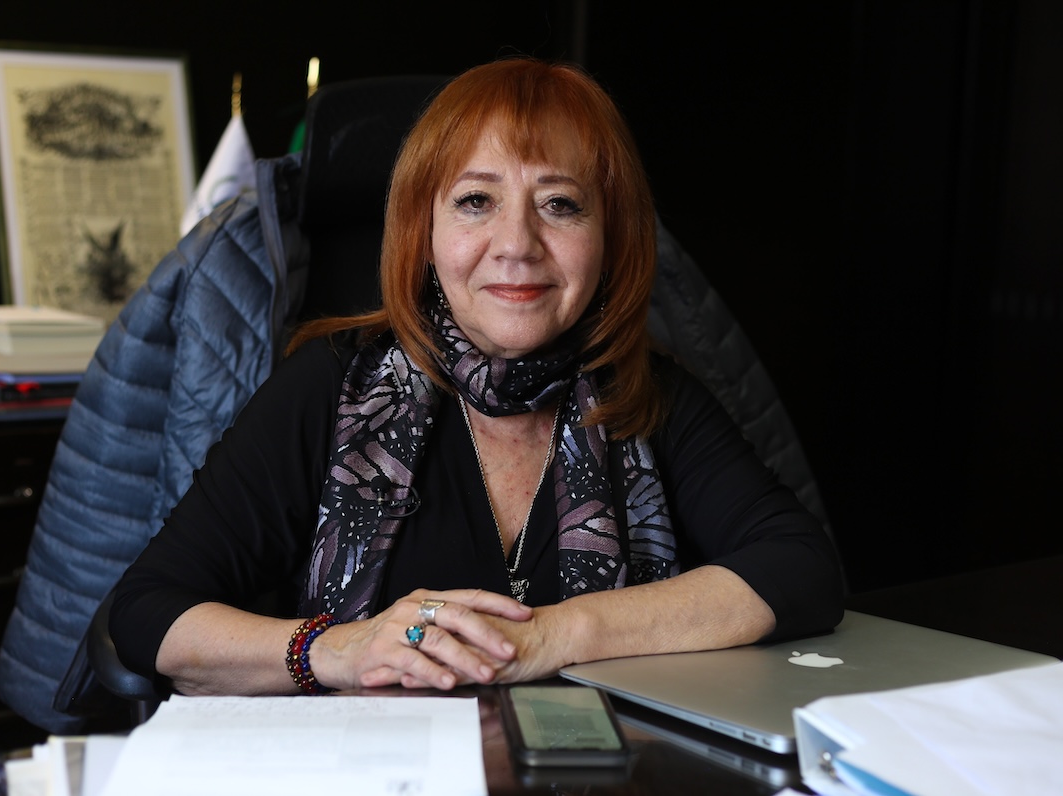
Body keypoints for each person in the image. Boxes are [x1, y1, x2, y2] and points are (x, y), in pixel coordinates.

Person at [109, 57, 844, 697]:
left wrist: (556, 635)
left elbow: (801, 569)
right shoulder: (329, 386)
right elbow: (148, 613)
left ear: (609, 238)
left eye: (559, 204)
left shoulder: (648, 394)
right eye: (475, 201)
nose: (517, 244)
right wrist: (336, 649)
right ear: (424, 234)